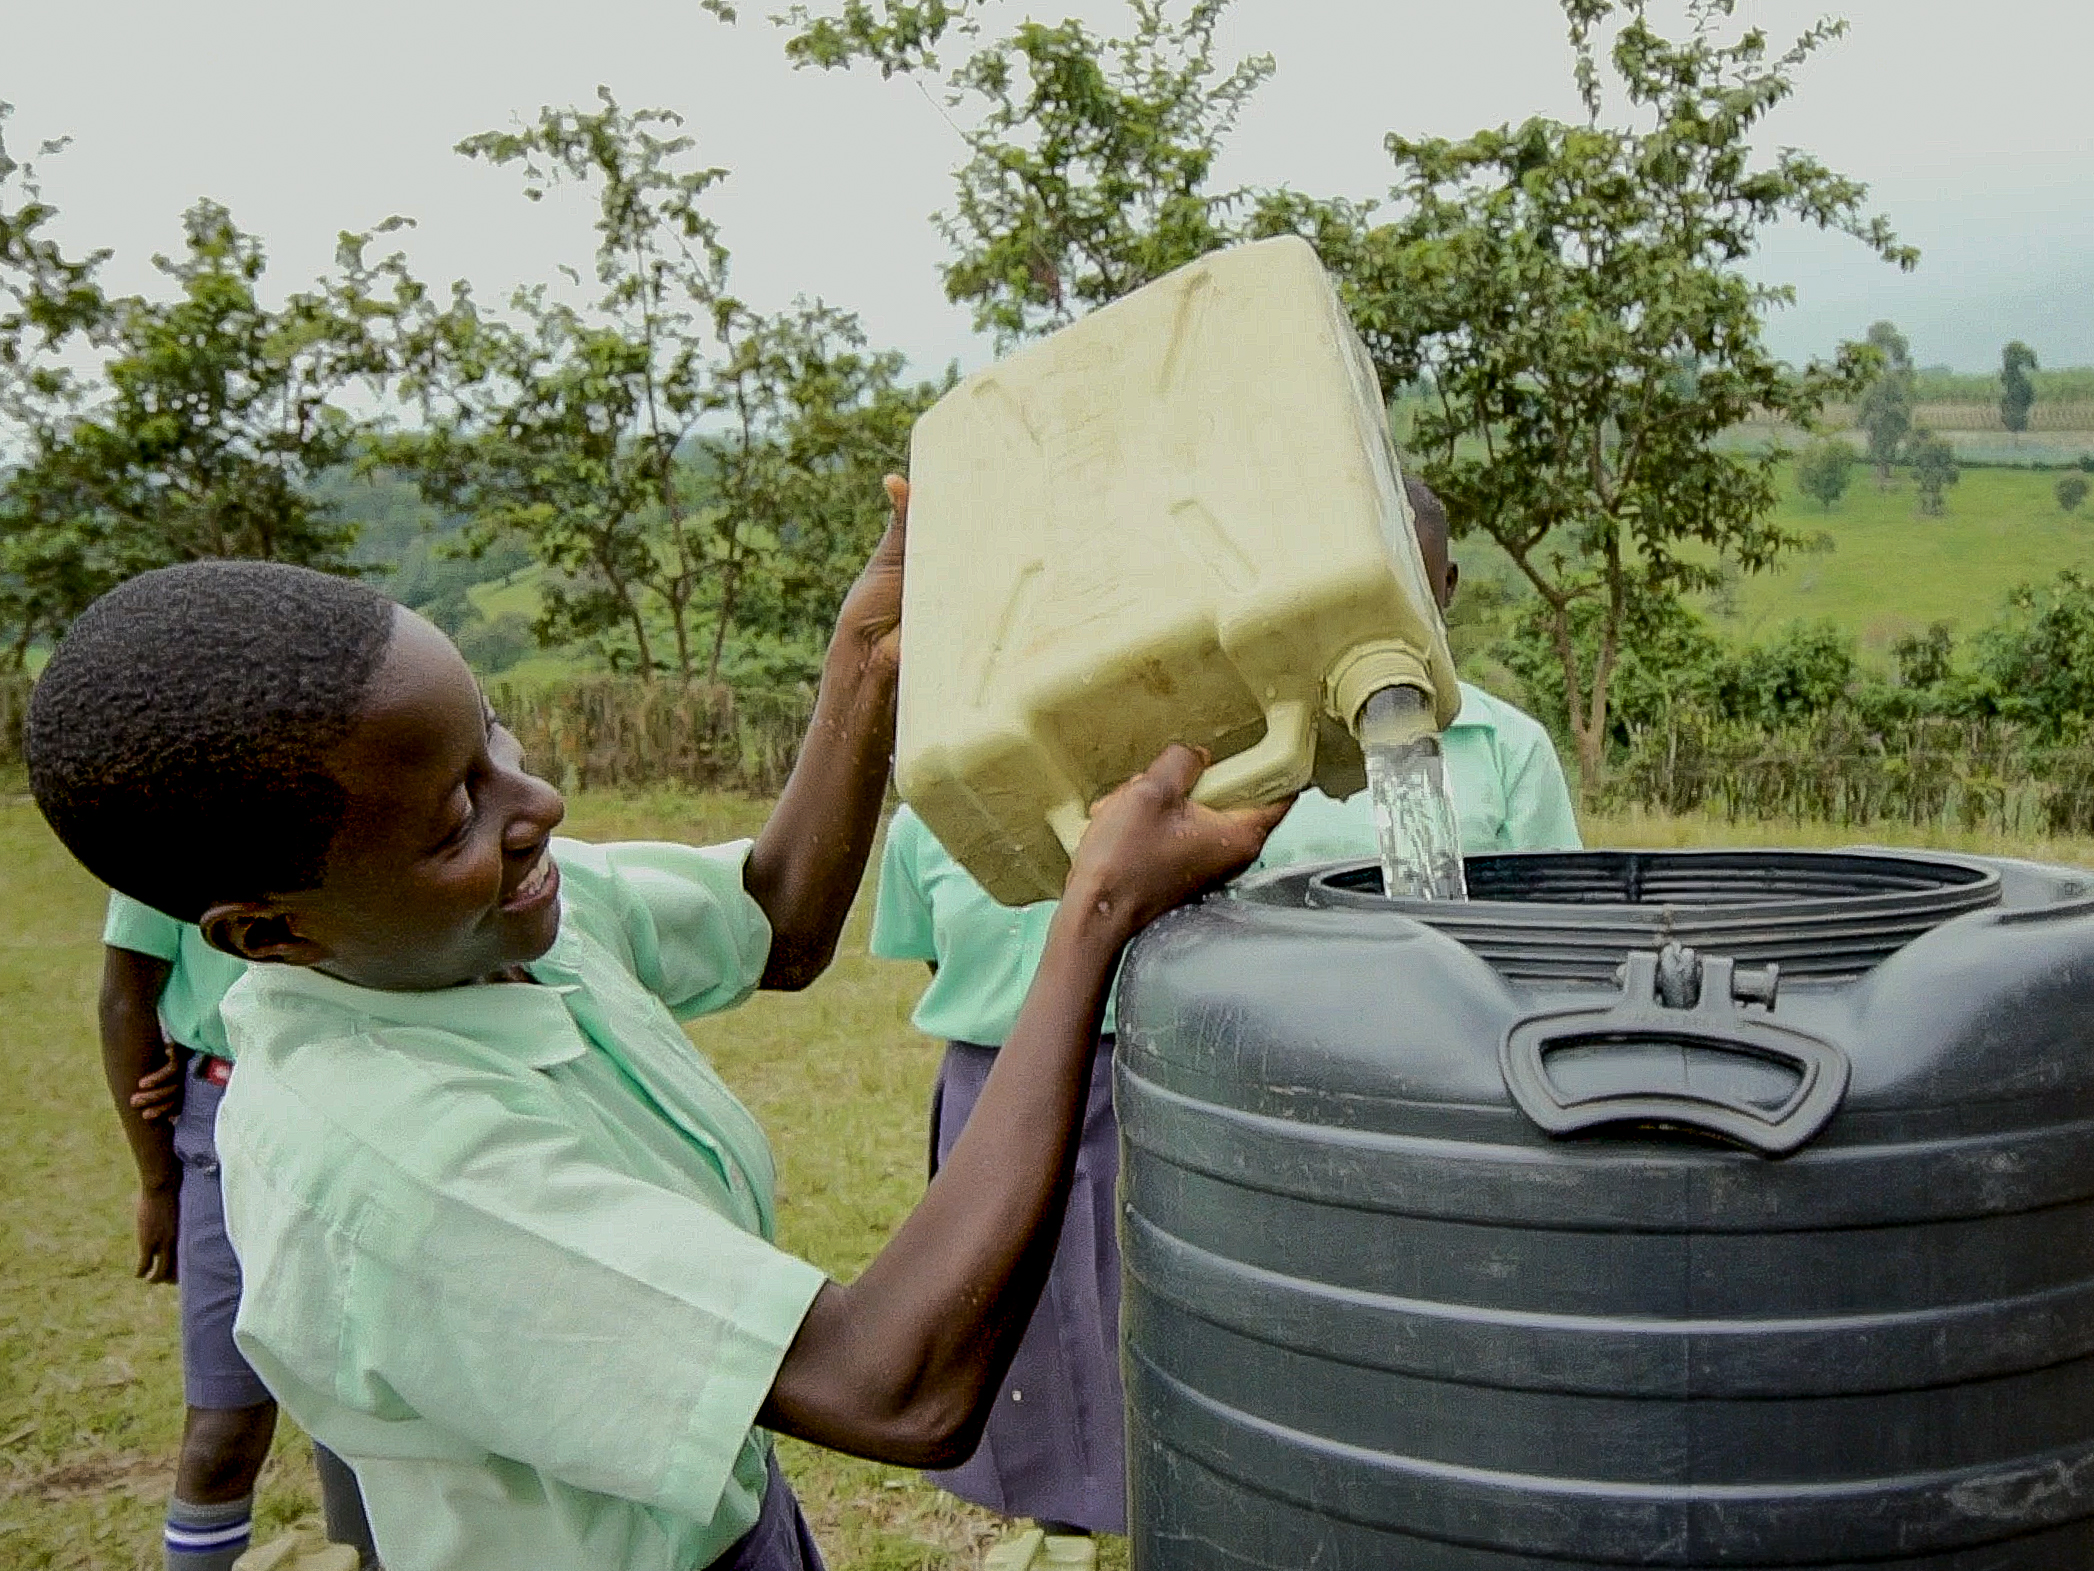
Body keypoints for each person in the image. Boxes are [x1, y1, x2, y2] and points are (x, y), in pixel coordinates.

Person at [25, 476, 1291, 1571]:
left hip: (730, 1520)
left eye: (494, 738)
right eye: (456, 816)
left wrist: (870, 654)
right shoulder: (394, 1165)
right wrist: (1097, 910)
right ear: (269, 933)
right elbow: (895, 1386)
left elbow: (776, 917)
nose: (539, 802)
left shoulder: (491, 927)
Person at [868, 476, 1577, 1569]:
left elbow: (1542, 934)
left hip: (1384, 1086)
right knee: (1062, 1336)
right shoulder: (1164, 744)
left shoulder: (1493, 746)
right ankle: (1076, 1525)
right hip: (1076, 1068)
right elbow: (936, 940)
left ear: (1442, 591)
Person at [100, 895, 381, 1571]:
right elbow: (124, 997)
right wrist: (158, 1183)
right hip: (220, 1119)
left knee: (370, 1405)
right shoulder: (160, 841)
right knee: (223, 1428)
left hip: (364, 1103)